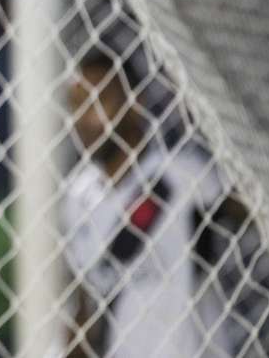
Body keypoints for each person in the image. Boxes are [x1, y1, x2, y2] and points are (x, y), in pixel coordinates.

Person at [59, 51, 233, 358]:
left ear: (134, 104)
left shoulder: (182, 173)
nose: (85, 117)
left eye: (98, 101)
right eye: (77, 105)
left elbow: (245, 213)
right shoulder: (77, 198)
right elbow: (85, 306)